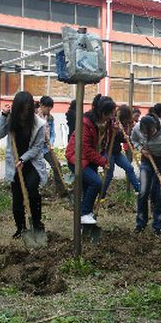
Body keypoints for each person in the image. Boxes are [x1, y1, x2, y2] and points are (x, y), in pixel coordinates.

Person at [0, 91, 47, 237]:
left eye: (27, 111)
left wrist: (23, 159)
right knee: (17, 199)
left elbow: (37, 148)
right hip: (15, 164)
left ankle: (36, 224)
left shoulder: (39, 124)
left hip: (32, 163)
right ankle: (21, 228)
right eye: (21, 111)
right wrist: (3, 116)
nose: (23, 115)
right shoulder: (10, 120)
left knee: (32, 190)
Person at [65, 94, 117, 225]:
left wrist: (116, 130)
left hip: (91, 160)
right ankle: (84, 213)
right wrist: (103, 161)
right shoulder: (85, 124)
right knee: (96, 183)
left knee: (88, 187)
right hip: (77, 159)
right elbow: (85, 149)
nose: (112, 117)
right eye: (110, 114)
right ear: (102, 112)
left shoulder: (106, 122)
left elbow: (109, 138)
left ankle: (84, 216)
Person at [131, 114, 161, 235]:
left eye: (150, 133)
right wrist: (141, 149)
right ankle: (140, 223)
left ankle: (158, 224)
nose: (147, 136)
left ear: (155, 127)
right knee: (143, 191)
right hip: (146, 160)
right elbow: (133, 139)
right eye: (145, 134)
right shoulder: (137, 128)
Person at [102, 105, 141, 196]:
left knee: (129, 168)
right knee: (109, 174)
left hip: (116, 152)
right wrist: (115, 131)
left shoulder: (121, 124)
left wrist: (125, 138)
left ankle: (139, 190)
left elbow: (120, 138)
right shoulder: (111, 122)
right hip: (108, 151)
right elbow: (107, 137)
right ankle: (101, 195)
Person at [38, 96, 68, 196]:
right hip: (36, 148)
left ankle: (61, 190)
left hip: (46, 148)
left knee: (56, 165)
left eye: (50, 108)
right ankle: (40, 189)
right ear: (41, 105)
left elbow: (52, 133)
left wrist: (50, 142)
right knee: (38, 168)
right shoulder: (35, 117)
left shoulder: (50, 118)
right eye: (47, 108)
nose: (49, 110)